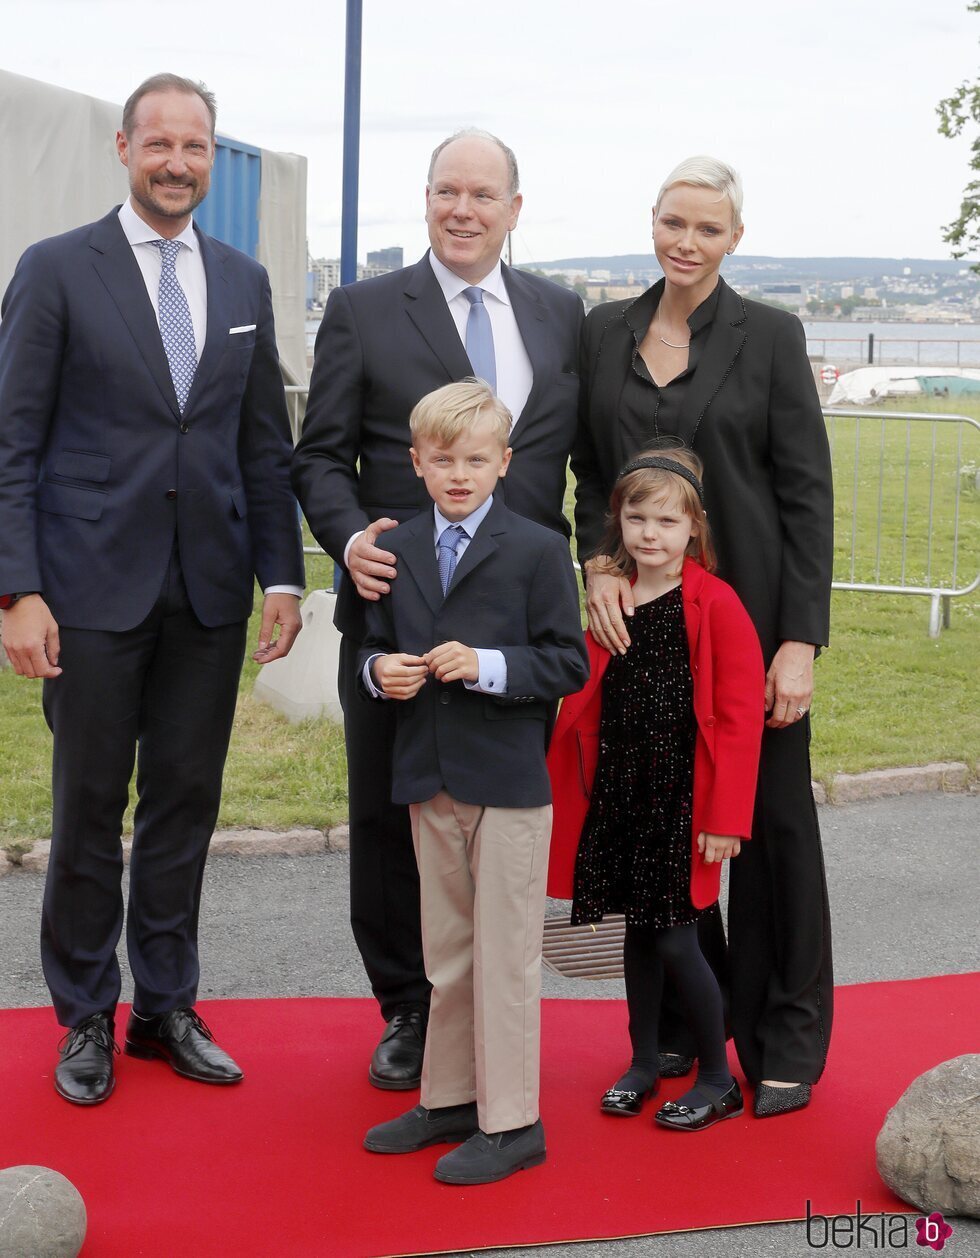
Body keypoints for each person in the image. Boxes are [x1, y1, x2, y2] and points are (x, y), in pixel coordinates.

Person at [0, 74, 305, 1105]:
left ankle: (163, 1004)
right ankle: (84, 1012)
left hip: (211, 593)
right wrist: (17, 593)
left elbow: (264, 446)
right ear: (124, 146)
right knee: (89, 806)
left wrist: (281, 575)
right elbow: (12, 444)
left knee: (184, 803)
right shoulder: (54, 271)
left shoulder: (242, 279)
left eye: (197, 146)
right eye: (160, 142)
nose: (178, 161)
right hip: (86, 594)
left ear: (211, 158)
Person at [292, 129, 583, 1090]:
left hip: (517, 623)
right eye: (446, 191)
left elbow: (566, 457)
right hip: (399, 612)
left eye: (483, 195)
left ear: (514, 209)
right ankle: (410, 1010)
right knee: (389, 812)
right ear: (425, 199)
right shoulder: (366, 309)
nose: (463, 210)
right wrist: (349, 540)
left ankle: (492, 1020)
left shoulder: (557, 312)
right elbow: (319, 455)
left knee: (501, 815)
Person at [572, 156, 834, 1117]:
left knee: (767, 830)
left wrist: (800, 640)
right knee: (661, 835)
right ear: (652, 221)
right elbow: (591, 472)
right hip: (643, 632)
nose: (687, 242)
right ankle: (685, 1029)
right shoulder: (605, 330)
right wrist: (596, 561)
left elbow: (808, 492)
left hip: (750, 625)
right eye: (673, 222)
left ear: (734, 239)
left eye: (708, 229)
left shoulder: (771, 336)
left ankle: (783, 1039)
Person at [357, 380, 588, 1183]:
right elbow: (373, 642)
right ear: (417, 463)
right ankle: (451, 1099)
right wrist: (376, 669)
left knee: (506, 956)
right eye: (444, 459)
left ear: (505, 464)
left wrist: (488, 665)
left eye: (476, 460)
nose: (460, 473)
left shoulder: (535, 549)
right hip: (429, 776)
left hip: (509, 784)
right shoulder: (401, 548)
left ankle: (513, 1120)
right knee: (448, 956)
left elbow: (568, 660)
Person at [547, 450, 763, 1131]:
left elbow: (736, 722)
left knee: (675, 939)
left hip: (683, 802)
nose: (649, 533)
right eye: (635, 517)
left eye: (667, 520)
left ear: (694, 528)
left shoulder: (716, 604)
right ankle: (643, 1061)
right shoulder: (610, 598)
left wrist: (725, 817)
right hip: (619, 792)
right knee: (636, 938)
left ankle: (718, 1076)